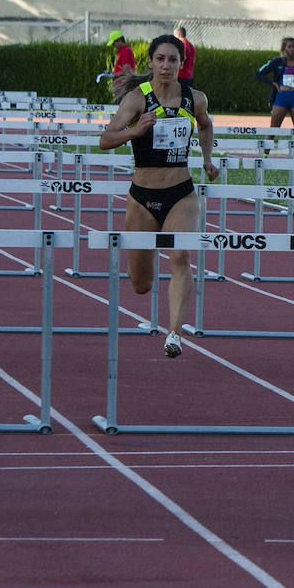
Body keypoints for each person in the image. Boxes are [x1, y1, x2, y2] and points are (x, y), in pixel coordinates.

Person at [98, 33, 219, 358]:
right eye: (160, 59)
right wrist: (136, 130)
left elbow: (205, 126)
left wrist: (207, 159)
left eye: (173, 60)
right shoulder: (139, 99)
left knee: (181, 257)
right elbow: (105, 140)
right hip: (142, 197)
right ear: (150, 62)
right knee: (141, 284)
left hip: (181, 193)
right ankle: (158, 303)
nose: (166, 65)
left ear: (182, 64)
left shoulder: (195, 99)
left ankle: (175, 334)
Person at [255, 37, 294, 156]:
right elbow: (259, 73)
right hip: (281, 98)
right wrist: (273, 83)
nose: (292, 49)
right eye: (289, 47)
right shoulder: (277, 62)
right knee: (273, 129)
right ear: (284, 49)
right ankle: (264, 156)